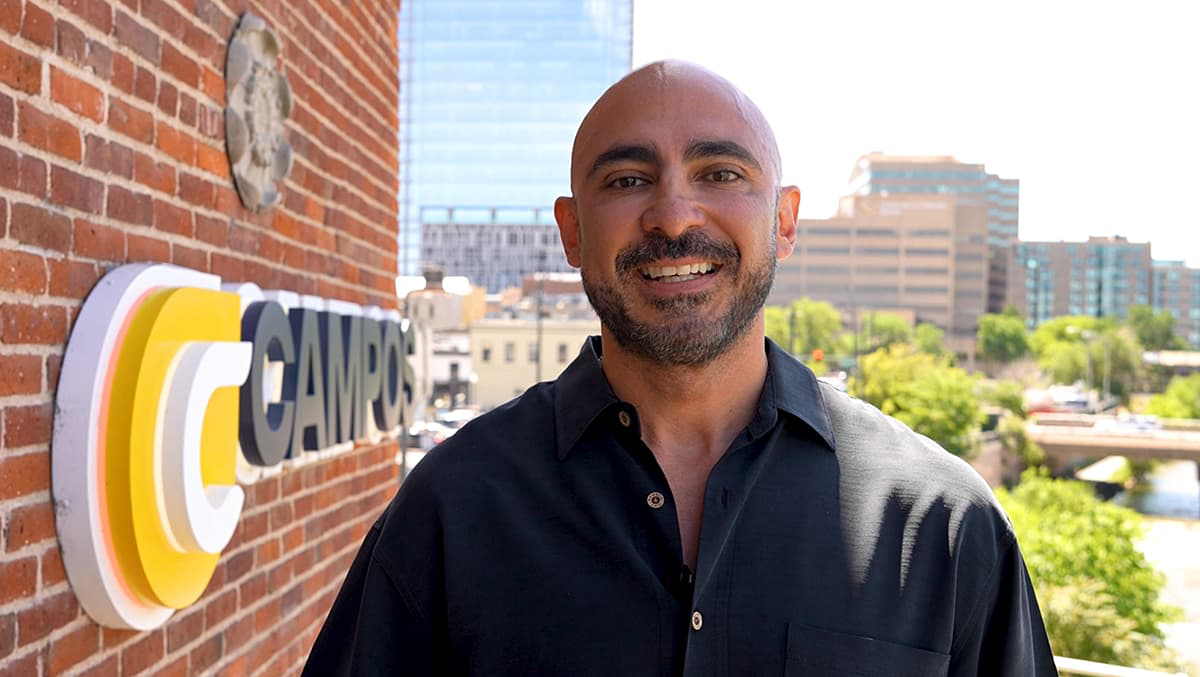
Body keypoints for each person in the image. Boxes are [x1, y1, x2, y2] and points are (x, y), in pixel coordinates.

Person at [303, 60, 1056, 676]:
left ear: (785, 221)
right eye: (627, 180)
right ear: (571, 232)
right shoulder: (450, 508)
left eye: (721, 173)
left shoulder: (944, 525)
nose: (673, 215)